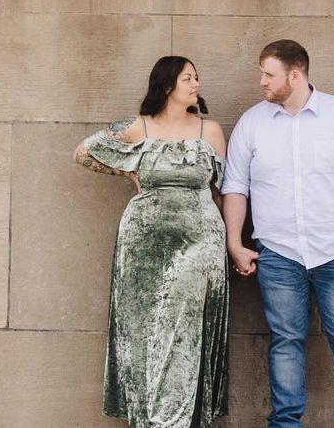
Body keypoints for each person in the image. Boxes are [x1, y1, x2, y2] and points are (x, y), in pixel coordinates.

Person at [221, 40, 334, 428]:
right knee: (285, 343)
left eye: (268, 73)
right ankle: (285, 424)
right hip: (277, 256)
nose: (262, 81)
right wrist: (236, 244)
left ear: (294, 75)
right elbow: (235, 187)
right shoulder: (253, 122)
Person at [73, 56, 231, 428]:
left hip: (198, 240)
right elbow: (83, 152)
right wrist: (130, 170)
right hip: (143, 245)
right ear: (166, 86)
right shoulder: (138, 127)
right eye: (188, 78)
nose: (196, 85)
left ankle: (172, 421)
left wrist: (225, 242)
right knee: (144, 333)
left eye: (197, 78)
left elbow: (223, 190)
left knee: (183, 329)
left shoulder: (210, 131)